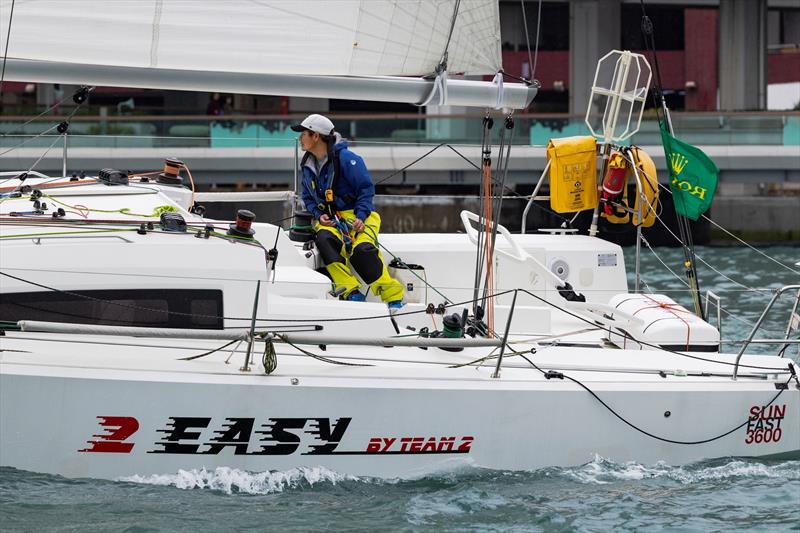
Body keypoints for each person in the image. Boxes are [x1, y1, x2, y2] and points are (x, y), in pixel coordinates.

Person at [292, 114, 404, 308]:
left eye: (303, 133)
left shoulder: (348, 160)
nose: (300, 138)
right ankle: (350, 291)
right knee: (325, 241)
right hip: (332, 220)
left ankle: (393, 296)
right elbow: (308, 198)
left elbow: (366, 191)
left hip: (360, 217)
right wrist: (319, 216)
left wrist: (360, 217)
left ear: (316, 136)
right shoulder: (308, 166)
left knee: (362, 251)